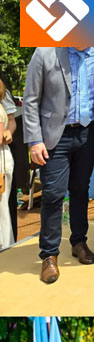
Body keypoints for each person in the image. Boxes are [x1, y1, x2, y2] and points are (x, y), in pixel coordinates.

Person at [22, 33, 94, 284]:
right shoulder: (45, 53)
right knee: (53, 194)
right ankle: (49, 255)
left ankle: (79, 242)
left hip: (88, 134)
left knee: (81, 190)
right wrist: (34, 140)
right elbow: (30, 100)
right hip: (54, 138)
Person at [0, 80, 16, 251]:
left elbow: (11, 120)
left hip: (2, 156)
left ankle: (5, 247)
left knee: (2, 207)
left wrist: (8, 132)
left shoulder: (3, 95)